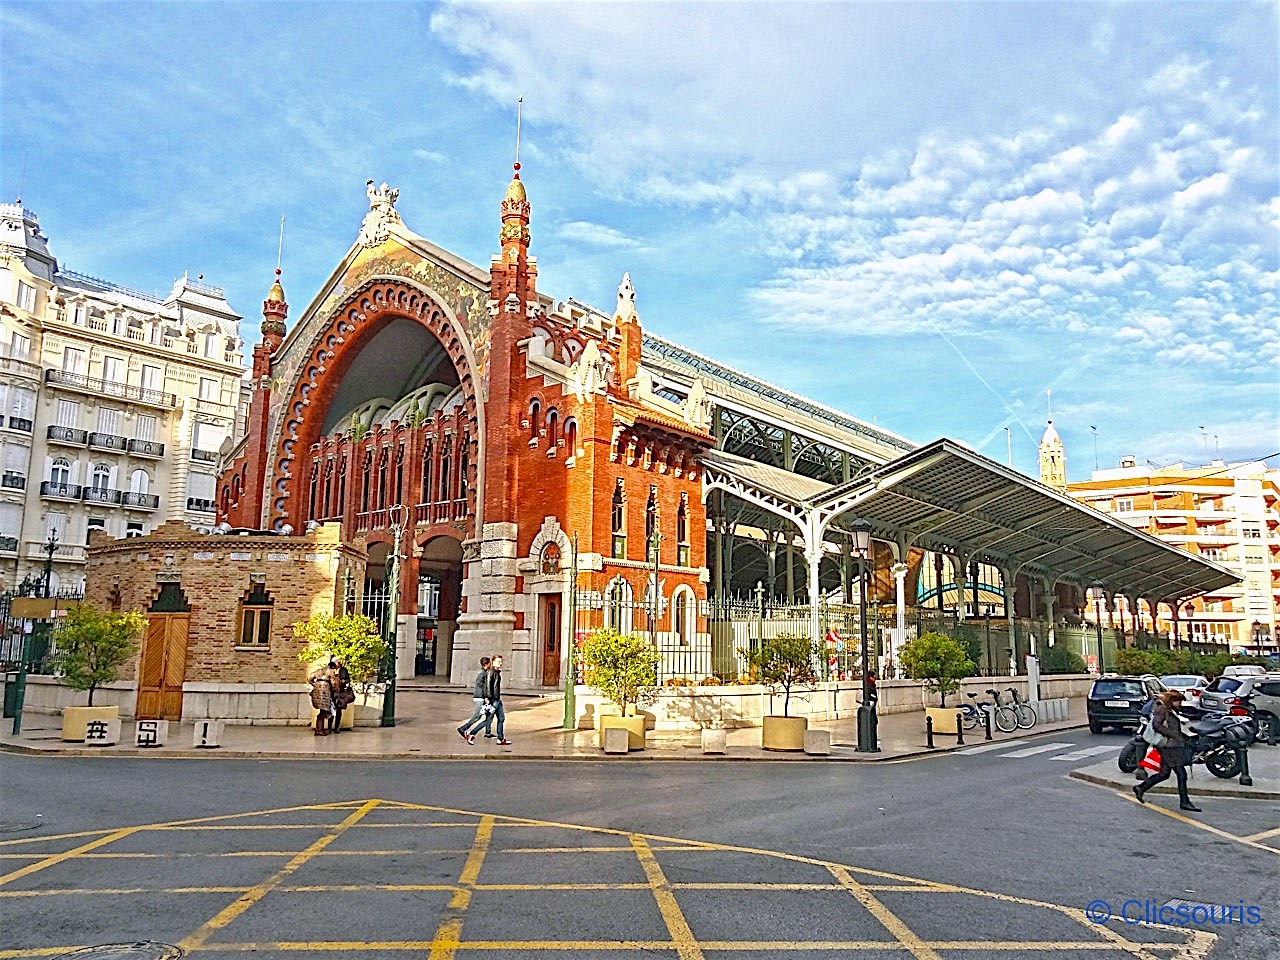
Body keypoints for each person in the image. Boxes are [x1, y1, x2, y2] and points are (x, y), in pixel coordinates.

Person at [1134, 690, 1200, 812]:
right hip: (1168, 746)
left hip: (1170, 746)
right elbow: (1156, 725)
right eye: (1178, 701)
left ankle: (1141, 788)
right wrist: (1173, 735)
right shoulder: (1162, 709)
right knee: (1181, 774)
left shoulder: (1170, 710)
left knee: (1164, 773)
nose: (1180, 703)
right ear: (1172, 701)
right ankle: (1184, 802)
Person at [457, 656, 492, 744]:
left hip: (481, 697)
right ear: (487, 664)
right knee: (477, 716)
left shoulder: (484, 673)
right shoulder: (482, 674)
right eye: (490, 663)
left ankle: (488, 732)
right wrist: (485, 697)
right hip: (480, 698)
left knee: (489, 715)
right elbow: (481, 686)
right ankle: (463, 728)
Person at [482, 654, 511, 745]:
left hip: (497, 699)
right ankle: (472, 733)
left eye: (501, 661)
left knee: (501, 718)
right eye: (498, 661)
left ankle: (500, 738)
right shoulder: (491, 672)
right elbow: (488, 686)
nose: (500, 663)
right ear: (493, 662)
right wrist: (488, 698)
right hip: (493, 699)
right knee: (488, 719)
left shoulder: (497, 672)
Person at [329, 657, 353, 734]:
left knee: (339, 710)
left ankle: (337, 727)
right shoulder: (330, 670)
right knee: (331, 710)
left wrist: (344, 681)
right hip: (331, 692)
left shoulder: (343, 670)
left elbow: (348, 679)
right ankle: (329, 727)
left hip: (340, 692)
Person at [309, 664, 333, 737]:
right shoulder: (331, 671)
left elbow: (309, 678)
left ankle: (320, 729)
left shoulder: (319, 671)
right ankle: (319, 730)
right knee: (324, 712)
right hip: (325, 693)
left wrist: (314, 684)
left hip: (317, 692)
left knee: (322, 711)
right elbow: (333, 683)